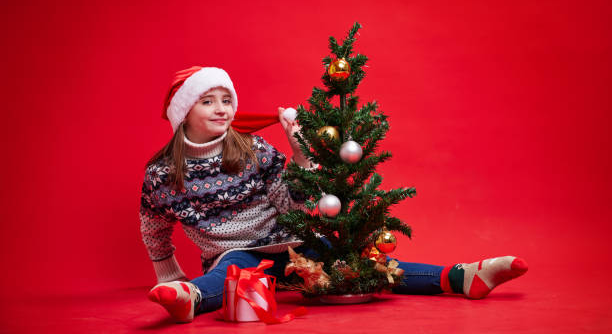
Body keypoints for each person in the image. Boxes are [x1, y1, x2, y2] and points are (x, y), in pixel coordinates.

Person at [140, 66, 528, 323]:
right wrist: (168, 271)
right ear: (184, 113)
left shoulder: (253, 149)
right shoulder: (162, 173)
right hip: (233, 255)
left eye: (227, 100)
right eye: (208, 101)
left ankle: (458, 277)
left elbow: (292, 204)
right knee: (228, 276)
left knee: (356, 263)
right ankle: (188, 297)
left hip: (291, 246)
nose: (222, 109)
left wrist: (299, 156)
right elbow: (154, 224)